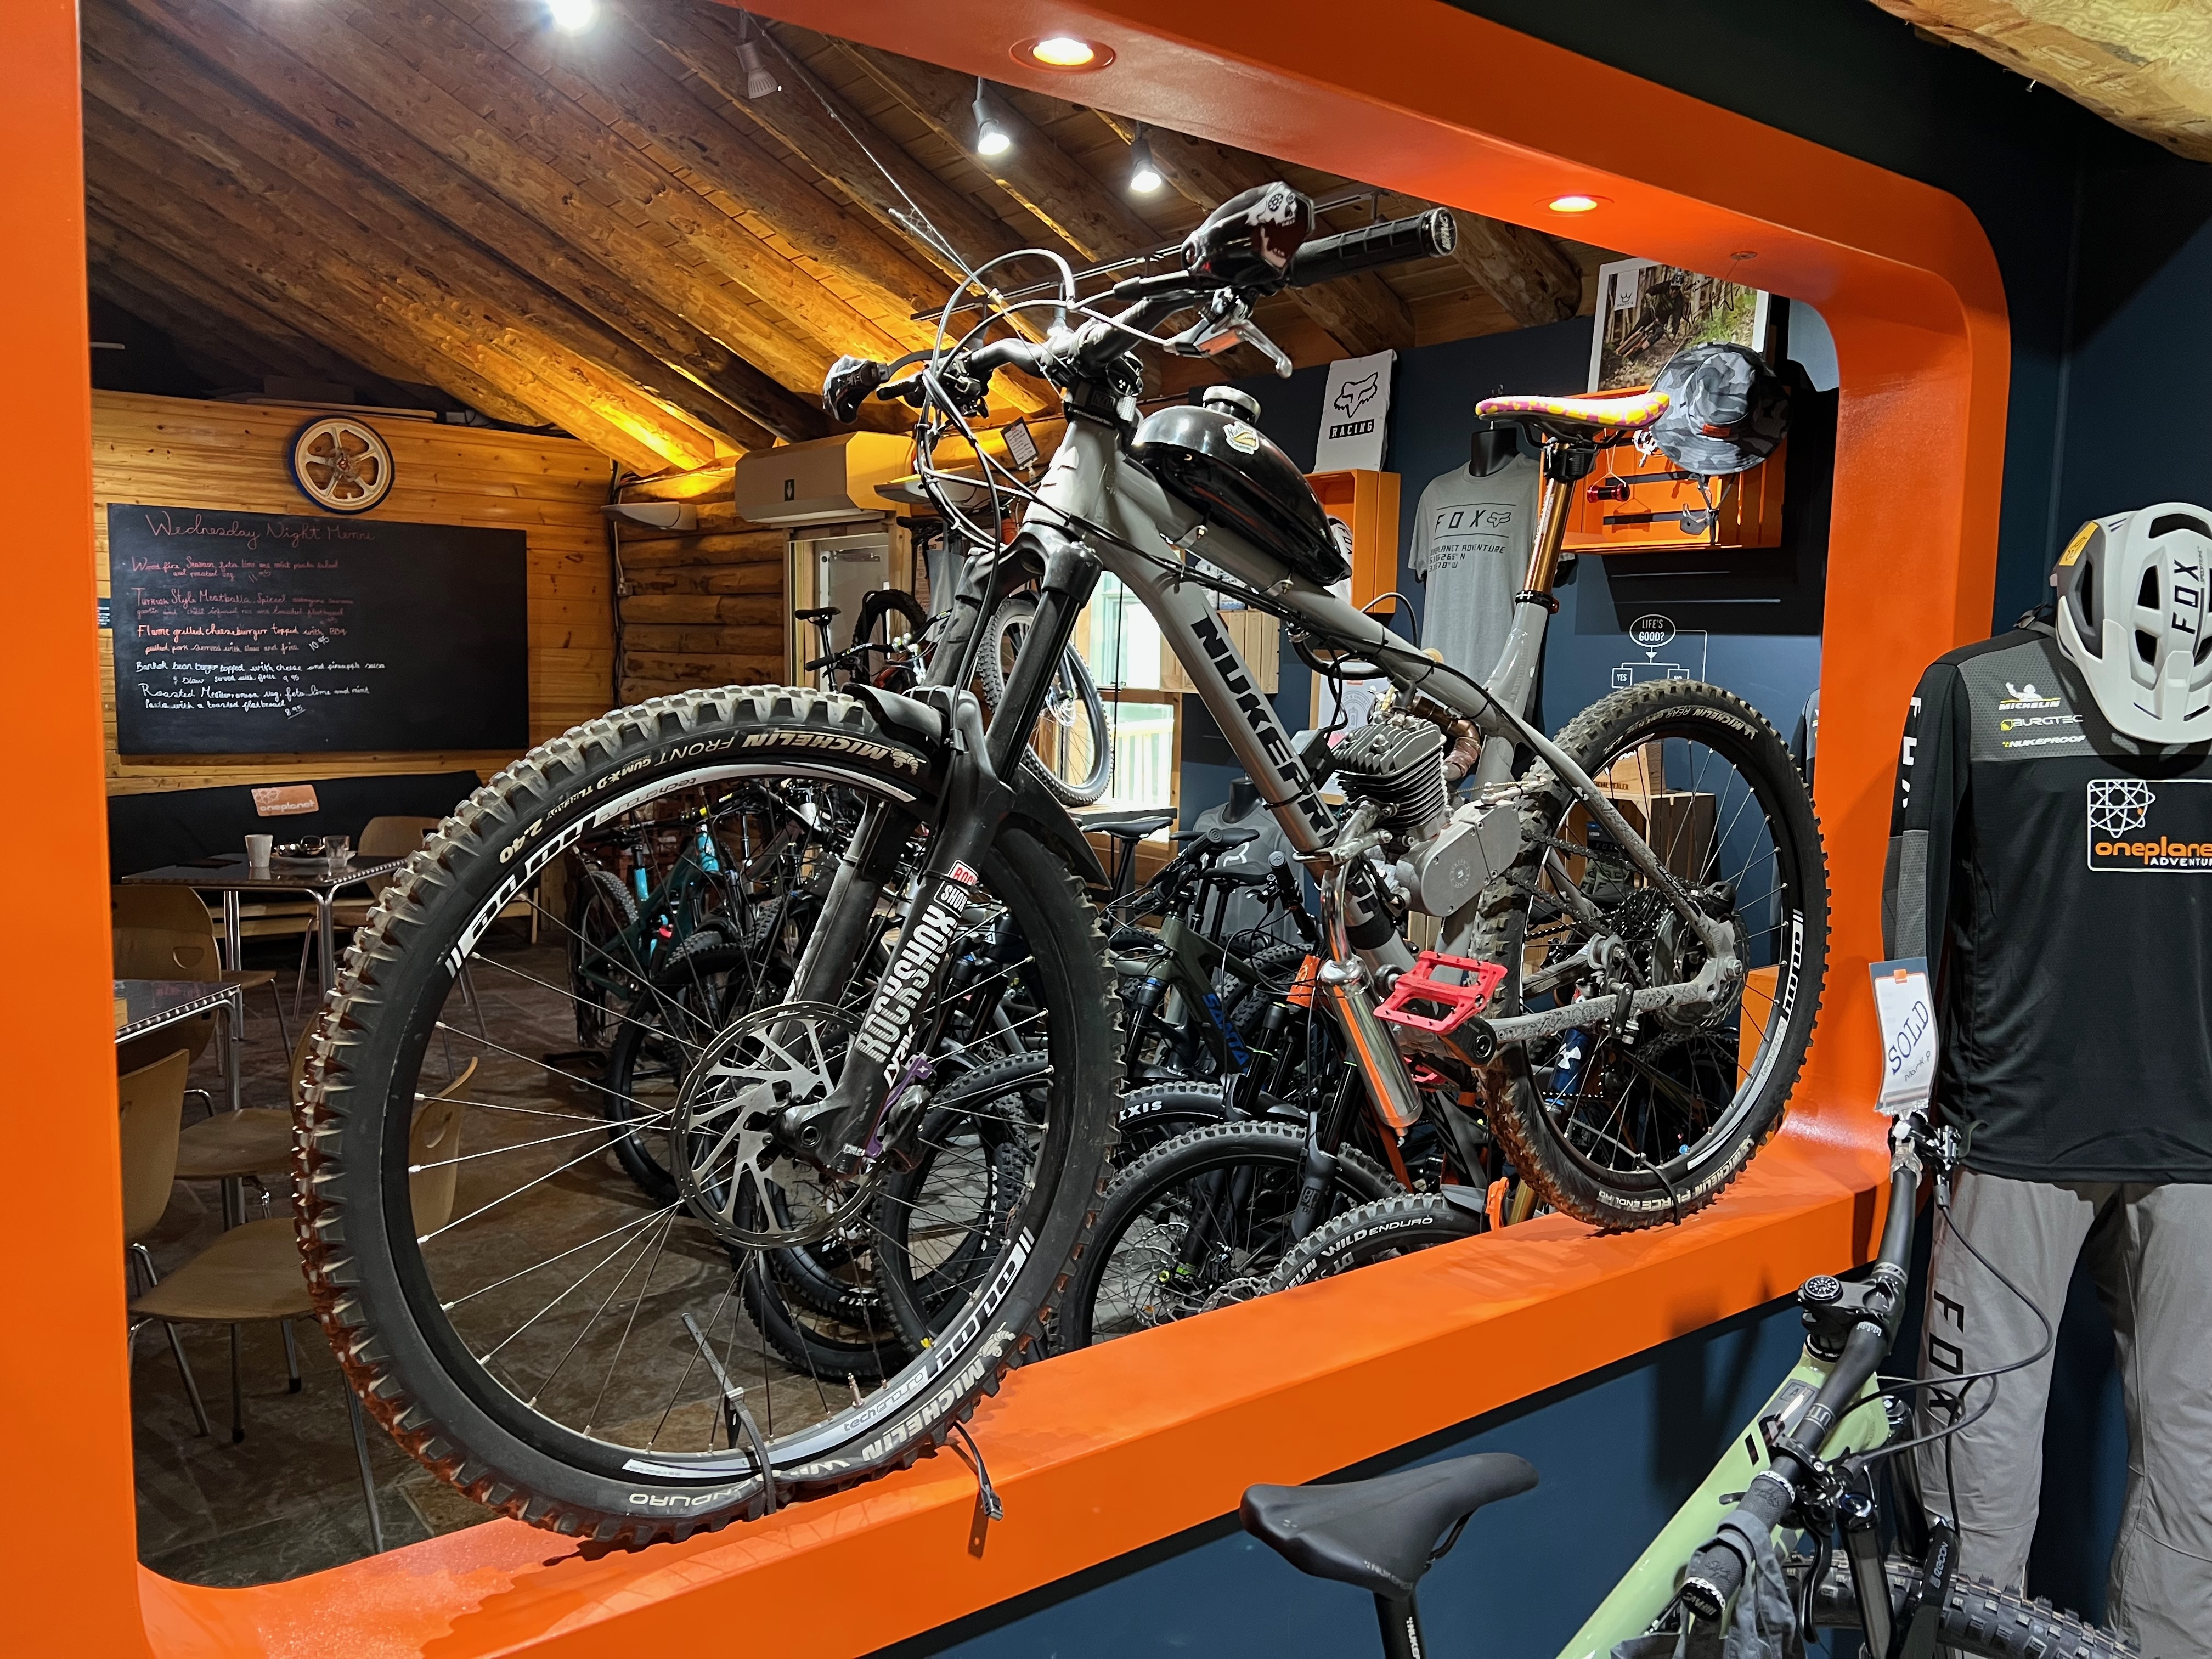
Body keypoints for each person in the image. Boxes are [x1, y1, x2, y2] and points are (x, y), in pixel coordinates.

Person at [1884, 503, 2212, 1657]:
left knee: (2198, 1473)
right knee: (1976, 1462)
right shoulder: (1972, 691)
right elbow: (1911, 904)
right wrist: (1908, 1096)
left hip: (2192, 1160)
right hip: (2012, 1139)